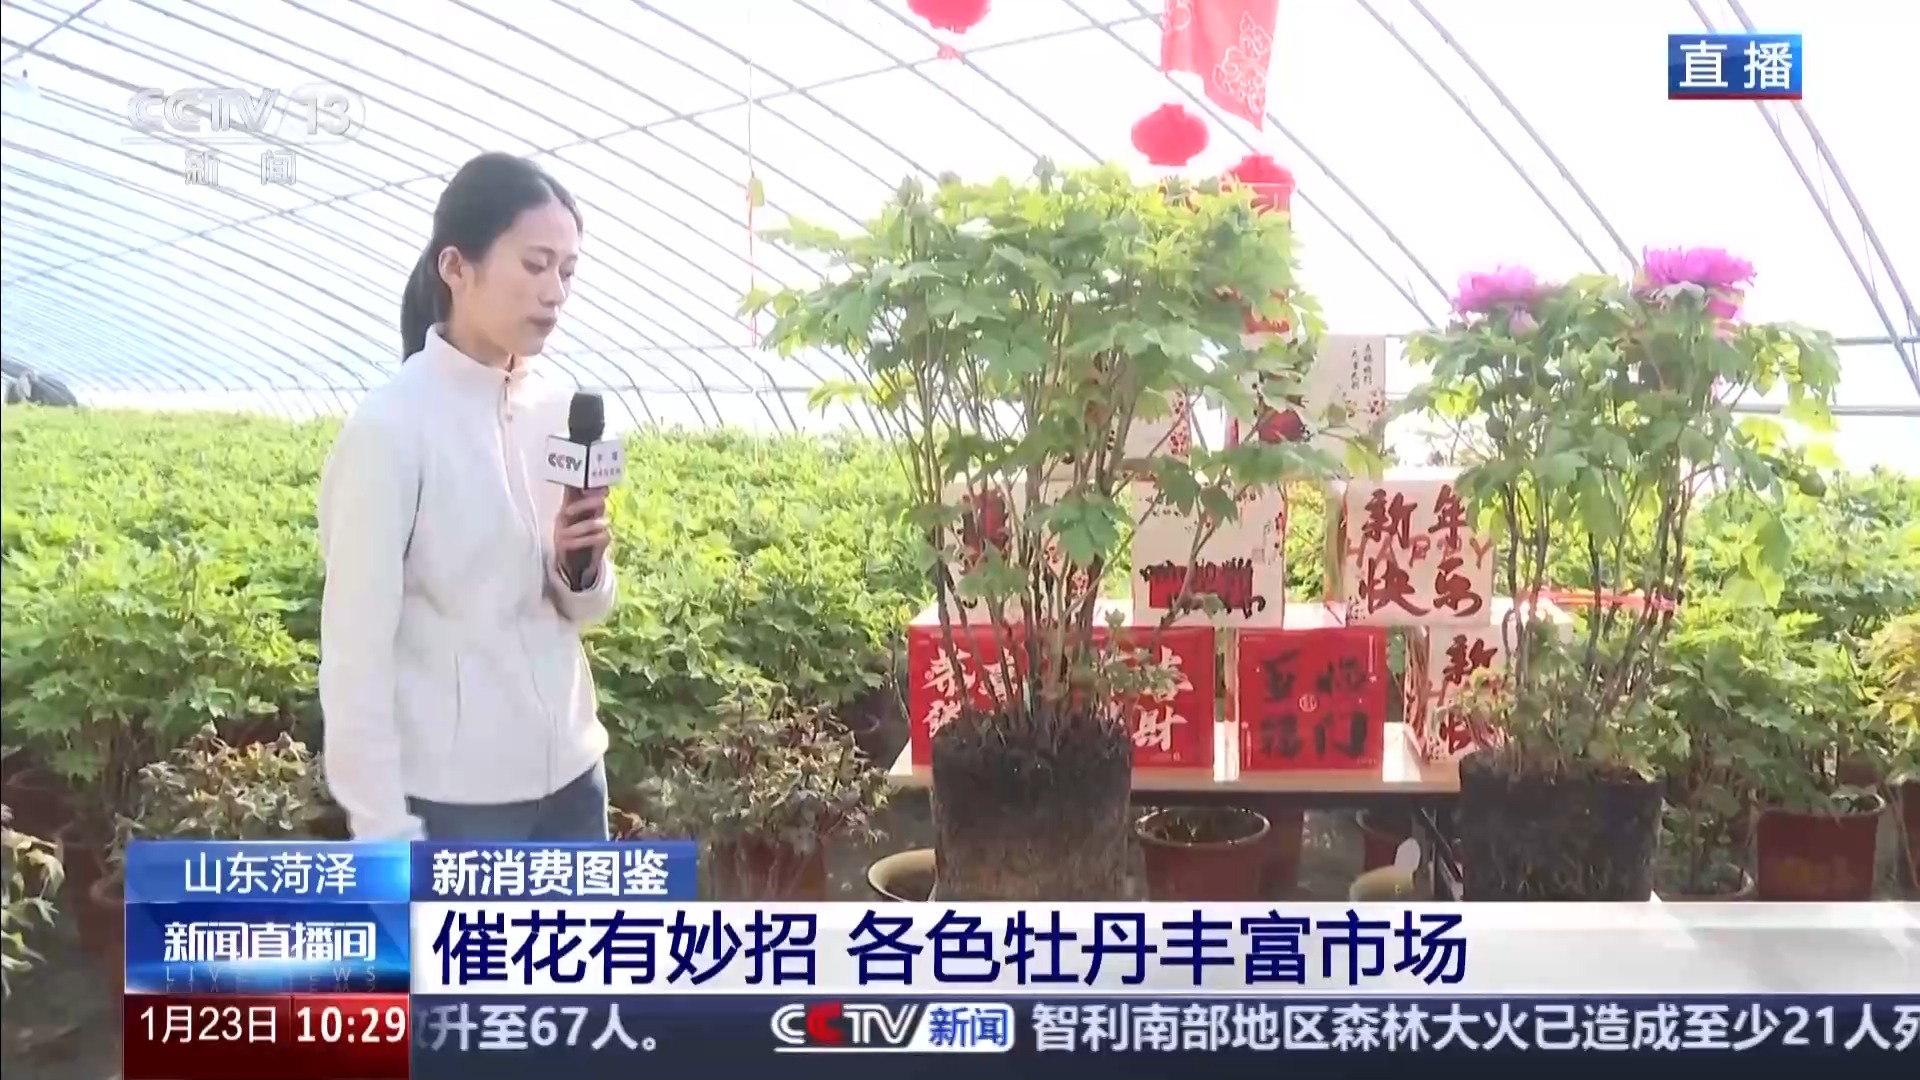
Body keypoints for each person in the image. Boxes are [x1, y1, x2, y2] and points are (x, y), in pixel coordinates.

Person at [317, 152, 616, 842]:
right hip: (457, 804)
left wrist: (581, 568)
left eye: (568, 272)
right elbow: (355, 655)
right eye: (535, 265)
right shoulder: (391, 427)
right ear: (456, 266)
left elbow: (587, 610)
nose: (555, 293)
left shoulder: (558, 410)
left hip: (575, 781)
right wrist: (382, 825)